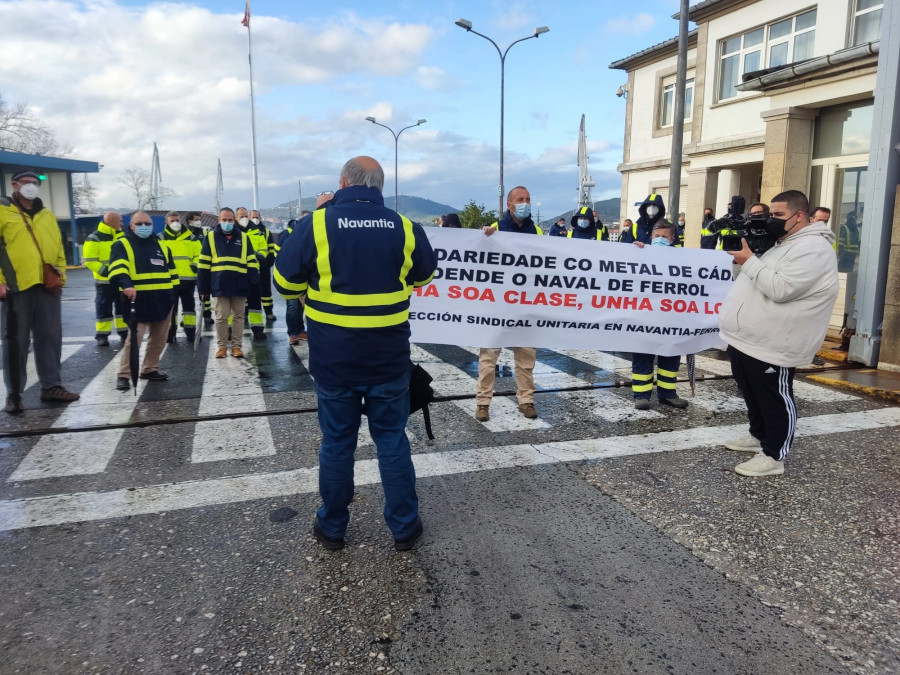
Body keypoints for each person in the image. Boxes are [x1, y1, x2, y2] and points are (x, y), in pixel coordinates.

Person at [274, 156, 437, 551]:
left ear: (343, 182)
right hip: (388, 359)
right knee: (392, 441)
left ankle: (332, 528)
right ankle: (404, 527)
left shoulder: (315, 224)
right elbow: (426, 275)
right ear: (379, 186)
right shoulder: (405, 227)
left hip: (334, 362)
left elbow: (283, 283)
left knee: (337, 443)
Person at [719, 190, 839, 477]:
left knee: (774, 397)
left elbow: (780, 289)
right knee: (751, 391)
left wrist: (749, 261)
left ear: (800, 216)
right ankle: (758, 435)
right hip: (748, 338)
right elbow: (754, 278)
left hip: (775, 342)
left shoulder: (813, 249)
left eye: (778, 216)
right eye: (769, 214)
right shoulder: (784, 242)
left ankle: (774, 454)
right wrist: (742, 262)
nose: (771, 221)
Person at [0, 169, 80, 413]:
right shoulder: (3, 211)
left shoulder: (47, 215)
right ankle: (14, 395)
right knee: (15, 342)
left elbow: (57, 249)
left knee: (50, 338)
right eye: (27, 182)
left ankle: (51, 387)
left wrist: (60, 277)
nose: (32, 186)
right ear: (15, 185)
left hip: (47, 286)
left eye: (36, 183)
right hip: (16, 287)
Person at [475, 186, 542, 422]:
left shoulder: (537, 232)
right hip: (497, 305)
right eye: (520, 199)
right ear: (509, 204)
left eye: (528, 199)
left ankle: (526, 401)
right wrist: (483, 238)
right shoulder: (495, 229)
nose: (525, 203)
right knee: (488, 358)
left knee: (526, 359)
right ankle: (483, 403)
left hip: (525, 305)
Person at [108, 211, 178, 391]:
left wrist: (173, 294)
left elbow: (172, 272)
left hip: (162, 299)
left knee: (159, 339)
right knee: (134, 341)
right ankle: (124, 375)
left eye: (147, 223)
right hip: (137, 300)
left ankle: (150, 368)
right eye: (139, 224)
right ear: (131, 225)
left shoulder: (162, 246)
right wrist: (126, 285)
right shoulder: (122, 245)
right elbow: (117, 269)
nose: (144, 227)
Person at [628, 220, 690, 410]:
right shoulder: (639, 253)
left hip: (671, 316)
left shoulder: (683, 258)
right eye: (657, 236)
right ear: (651, 236)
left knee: (670, 355)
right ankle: (641, 395)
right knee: (642, 355)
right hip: (645, 315)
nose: (660, 239)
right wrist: (632, 251)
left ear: (672, 239)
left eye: (665, 237)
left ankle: (668, 394)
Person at [197, 208, 259, 359]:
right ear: (219, 221)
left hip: (240, 284)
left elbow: (251, 261)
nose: (227, 223)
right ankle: (222, 347)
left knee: (238, 317)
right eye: (224, 220)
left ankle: (237, 346)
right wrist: (203, 288)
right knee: (221, 317)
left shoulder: (244, 238)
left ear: (235, 221)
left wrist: (253, 282)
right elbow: (204, 265)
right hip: (220, 285)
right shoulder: (210, 237)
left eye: (230, 220)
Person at [83, 211, 128, 346]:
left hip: (120, 281)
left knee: (122, 308)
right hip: (104, 281)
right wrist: (109, 272)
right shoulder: (94, 238)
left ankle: (124, 333)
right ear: (111, 221)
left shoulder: (122, 236)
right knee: (104, 308)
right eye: (119, 221)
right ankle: (102, 336)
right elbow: (90, 261)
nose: (121, 223)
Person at [159, 211, 201, 343]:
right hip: (170, 280)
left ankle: (191, 333)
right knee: (171, 309)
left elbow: (199, 254)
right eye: (172, 221)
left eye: (177, 220)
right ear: (167, 222)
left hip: (188, 279)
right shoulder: (160, 238)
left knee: (189, 308)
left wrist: (195, 264)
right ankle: (170, 334)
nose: (175, 223)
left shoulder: (191, 237)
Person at [236, 206, 267, 340]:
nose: (243, 218)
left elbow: (264, 248)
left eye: (245, 216)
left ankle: (258, 330)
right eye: (240, 216)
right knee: (235, 304)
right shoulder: (233, 233)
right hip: (237, 273)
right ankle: (232, 330)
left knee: (255, 303)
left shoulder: (257, 232)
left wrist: (260, 256)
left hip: (253, 272)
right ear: (236, 218)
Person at [249, 209, 277, 323]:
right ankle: (246, 313)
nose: (255, 219)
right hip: (250, 267)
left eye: (257, 217)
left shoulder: (266, 232)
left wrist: (266, 263)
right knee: (250, 290)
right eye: (253, 217)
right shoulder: (246, 231)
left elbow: (271, 249)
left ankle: (268, 312)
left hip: (264, 267)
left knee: (266, 290)